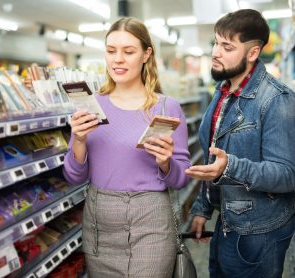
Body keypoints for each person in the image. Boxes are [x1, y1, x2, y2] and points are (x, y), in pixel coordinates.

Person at [63, 17, 190, 278]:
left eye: (128, 51)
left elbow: (181, 180)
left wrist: (166, 162)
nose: (117, 59)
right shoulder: (91, 105)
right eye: (111, 51)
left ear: (146, 54)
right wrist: (78, 139)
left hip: (151, 222)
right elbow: (74, 176)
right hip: (100, 222)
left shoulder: (166, 108)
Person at [185, 9, 295, 278]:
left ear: (253, 53)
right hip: (227, 223)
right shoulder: (222, 90)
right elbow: (214, 156)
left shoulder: (276, 100)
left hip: (259, 232)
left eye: (227, 46)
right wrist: (203, 207)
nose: (215, 52)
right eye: (215, 42)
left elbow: (287, 175)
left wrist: (231, 167)